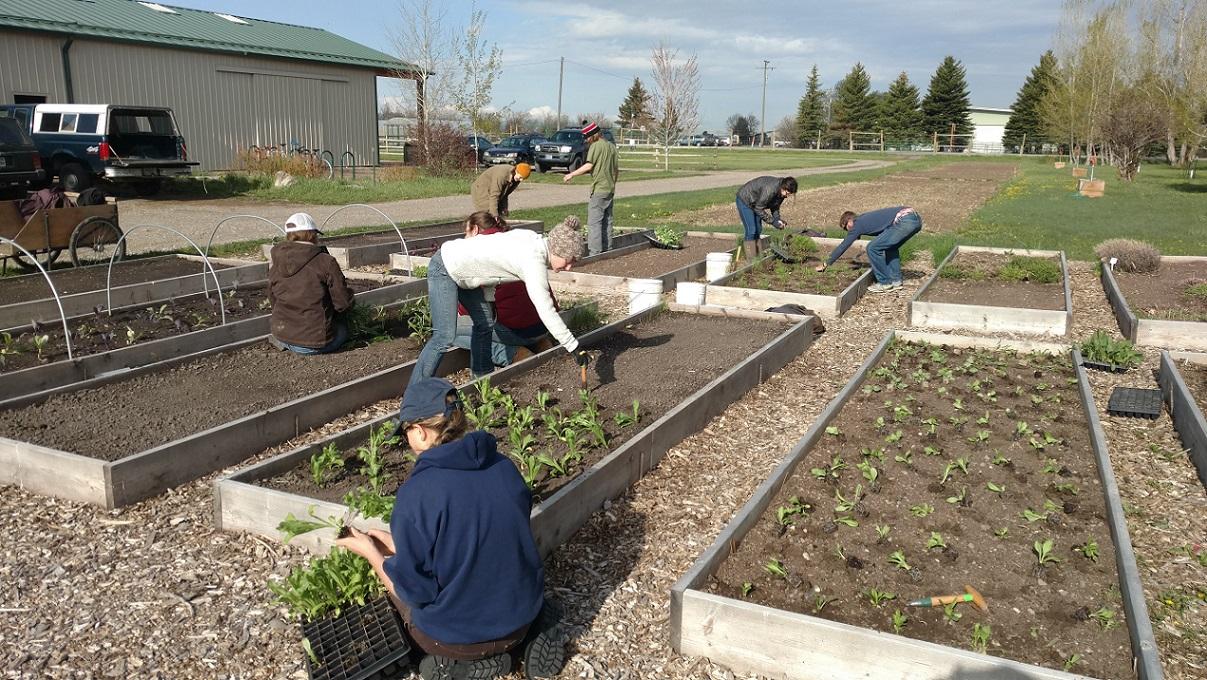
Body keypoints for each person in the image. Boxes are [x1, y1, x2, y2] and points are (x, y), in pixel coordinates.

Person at [335, 378, 564, 680]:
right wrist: (397, 543)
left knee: (405, 604)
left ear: (419, 431)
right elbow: (479, 537)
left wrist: (371, 552)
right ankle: (532, 635)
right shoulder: (504, 467)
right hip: (521, 613)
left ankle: (456, 663)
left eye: (406, 433)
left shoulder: (417, 493)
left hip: (459, 638)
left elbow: (415, 592)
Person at [409, 213, 588, 386]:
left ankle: (481, 380)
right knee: (444, 336)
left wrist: (489, 297)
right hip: (446, 266)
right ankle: (414, 397)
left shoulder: (533, 240)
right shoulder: (533, 260)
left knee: (485, 323)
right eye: (569, 260)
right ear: (558, 250)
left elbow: (492, 264)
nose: (569, 266)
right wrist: (573, 347)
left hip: (466, 272)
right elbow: (546, 309)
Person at [451, 214, 568, 367]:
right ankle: (540, 343)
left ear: (475, 229)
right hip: (543, 326)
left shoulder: (479, 253)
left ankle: (513, 355)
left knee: (448, 330)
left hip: (516, 331)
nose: (465, 238)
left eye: (466, 233)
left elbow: (469, 308)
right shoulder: (518, 243)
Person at [267, 212, 355, 354]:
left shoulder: (276, 261)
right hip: (312, 343)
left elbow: (272, 298)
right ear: (311, 234)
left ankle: (289, 344)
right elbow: (343, 303)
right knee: (344, 330)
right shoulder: (325, 261)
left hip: (281, 334)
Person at [816, 206, 923, 293]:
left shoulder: (857, 224)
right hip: (914, 218)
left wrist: (826, 263)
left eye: (845, 228)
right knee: (891, 247)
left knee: (872, 248)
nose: (847, 231)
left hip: (904, 220)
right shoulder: (863, 220)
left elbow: (843, 245)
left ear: (849, 221)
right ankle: (896, 281)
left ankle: (885, 283)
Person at [562, 122, 618, 256]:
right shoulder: (611, 147)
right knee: (607, 221)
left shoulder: (595, 147)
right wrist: (612, 184)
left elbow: (588, 166)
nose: (586, 140)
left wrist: (571, 174)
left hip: (599, 189)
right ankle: (608, 249)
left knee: (594, 223)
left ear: (594, 135)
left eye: (587, 137)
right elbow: (616, 170)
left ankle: (595, 253)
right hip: (609, 189)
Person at [736, 176, 798, 261]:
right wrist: (773, 222)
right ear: (784, 187)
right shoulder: (770, 189)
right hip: (745, 200)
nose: (787, 196)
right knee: (751, 230)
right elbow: (759, 209)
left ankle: (756, 254)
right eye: (787, 193)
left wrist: (777, 220)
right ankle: (750, 258)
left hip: (756, 203)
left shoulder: (781, 193)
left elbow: (775, 207)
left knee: (758, 229)